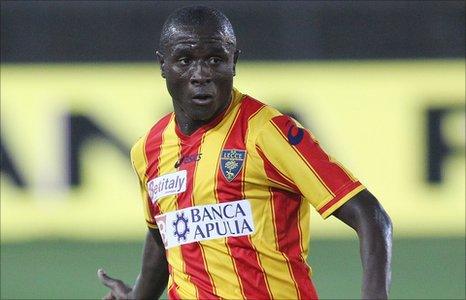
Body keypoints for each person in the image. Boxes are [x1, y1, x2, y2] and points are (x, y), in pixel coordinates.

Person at [97, 5, 392, 300]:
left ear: (234, 62)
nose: (201, 75)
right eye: (185, 60)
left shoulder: (266, 131)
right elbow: (166, 234)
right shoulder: (147, 150)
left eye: (215, 60)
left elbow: (370, 215)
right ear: (163, 65)